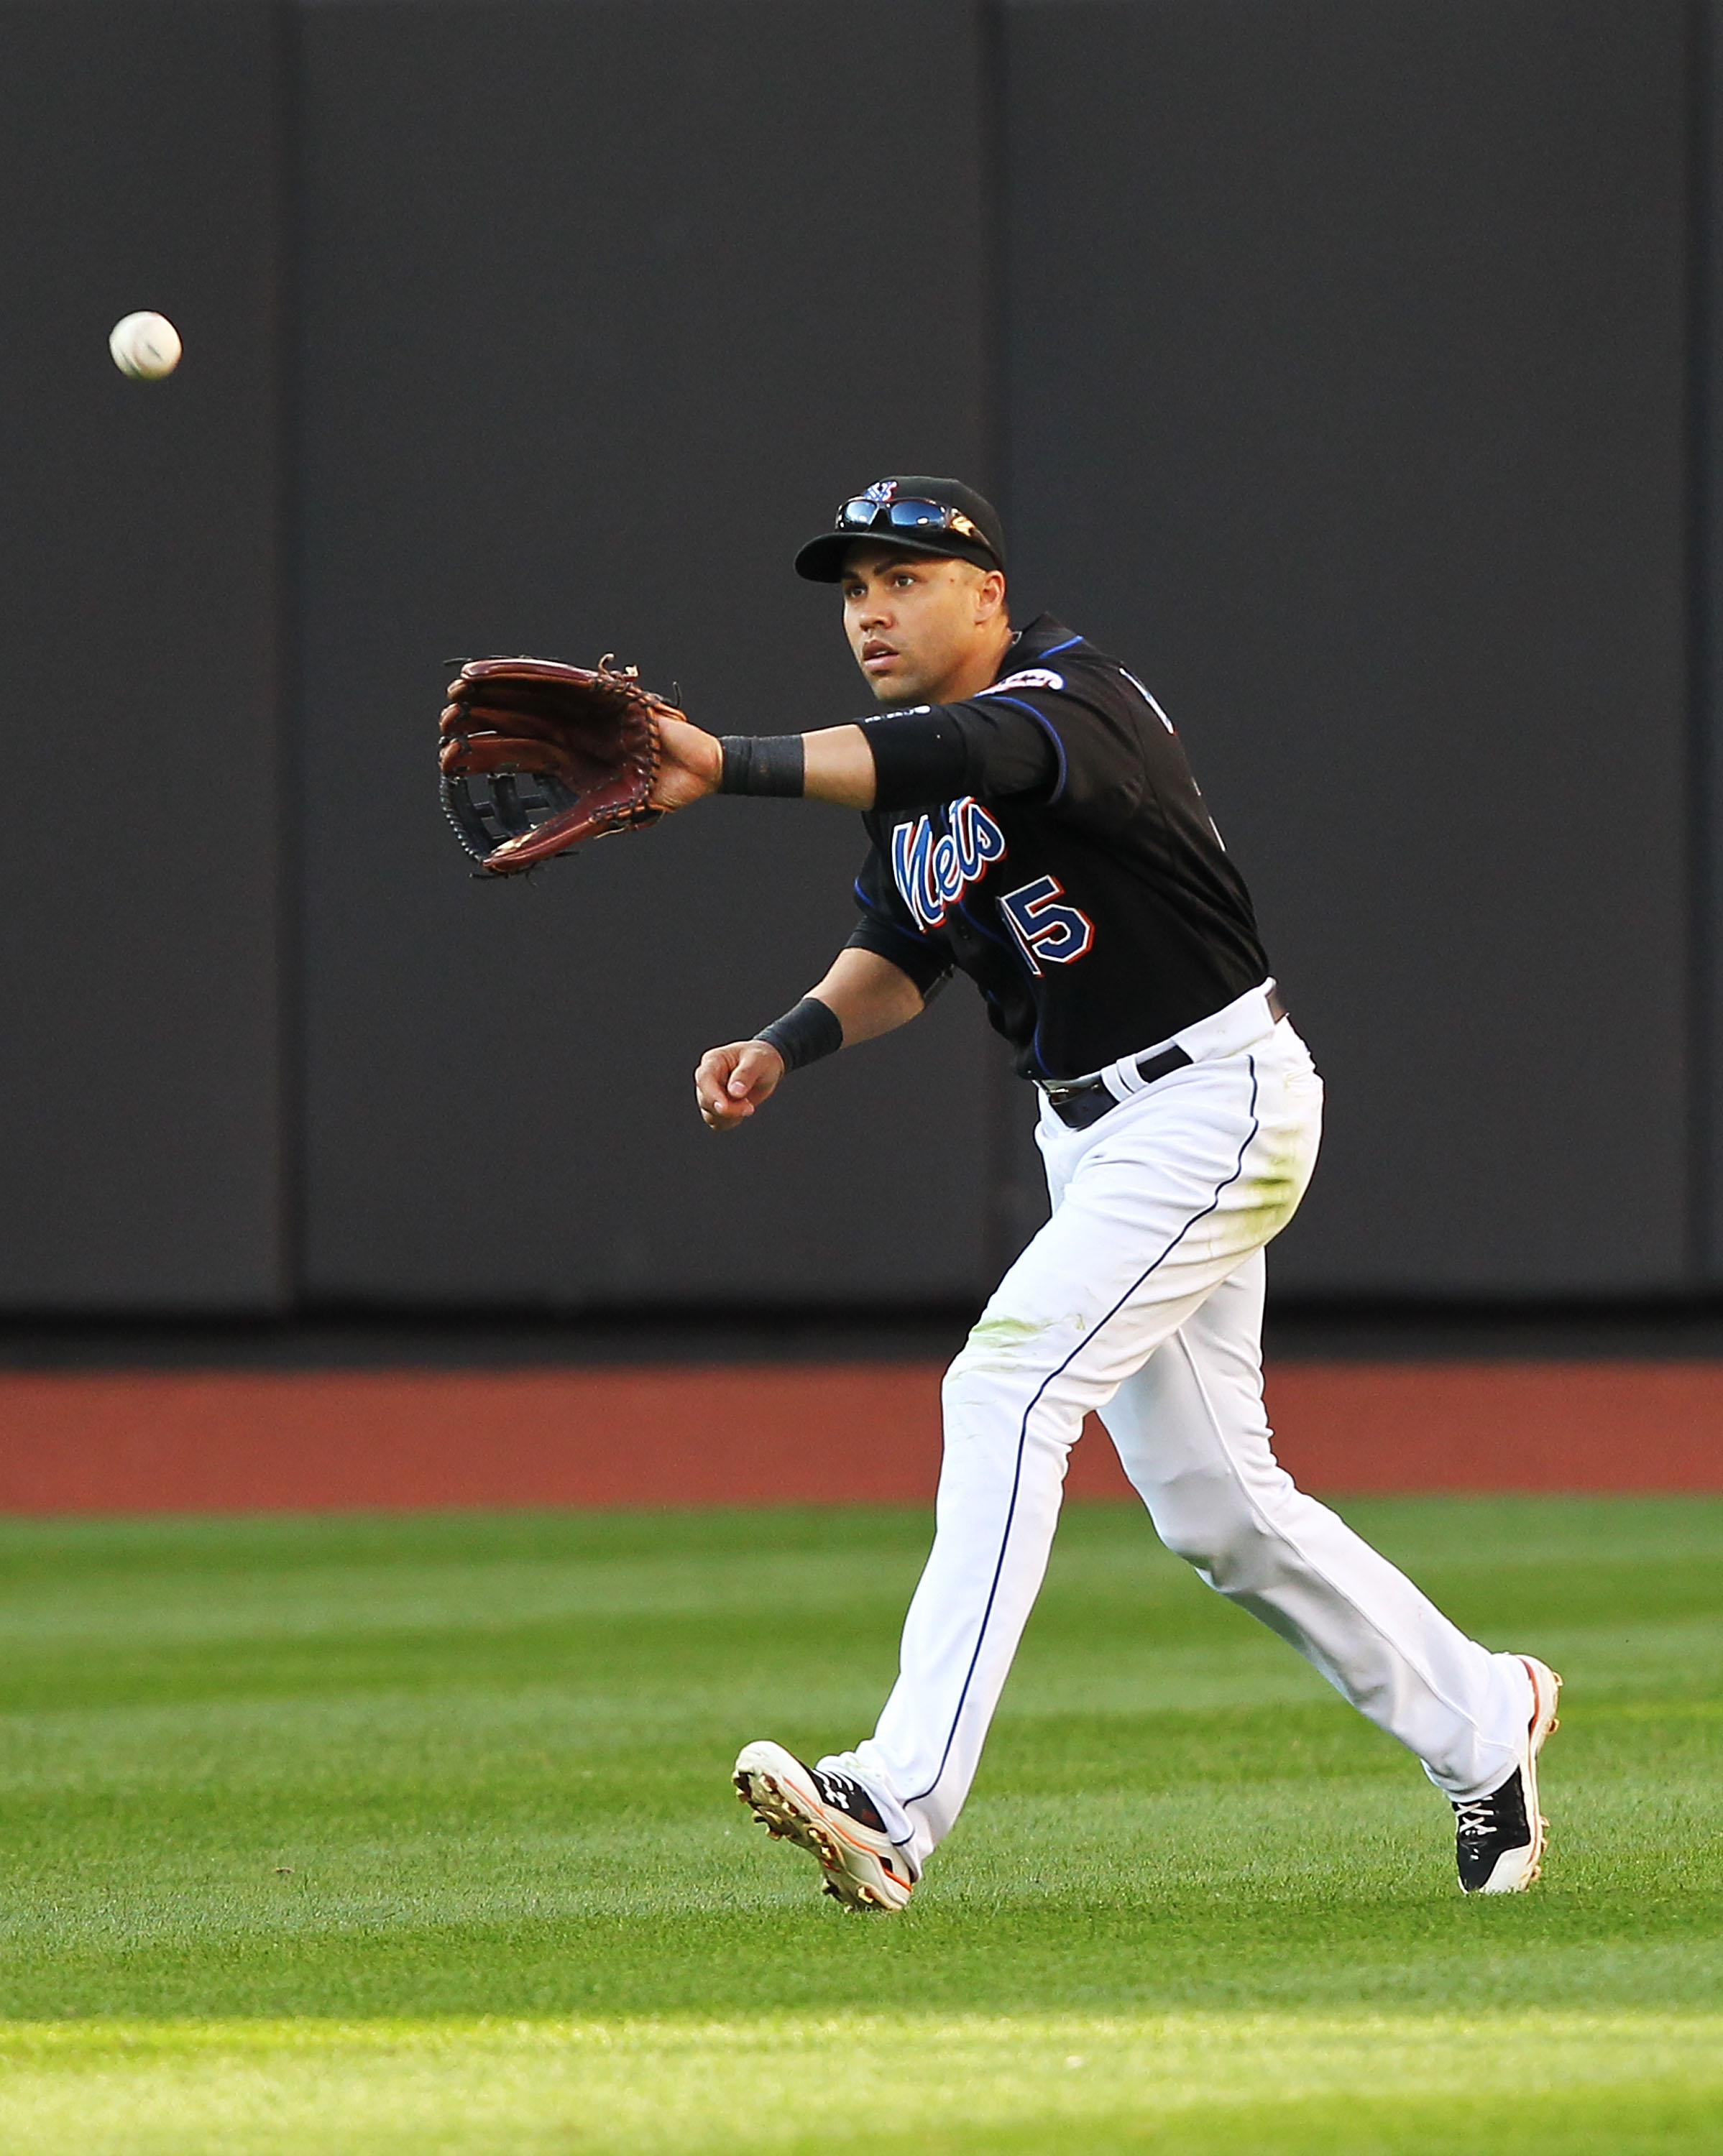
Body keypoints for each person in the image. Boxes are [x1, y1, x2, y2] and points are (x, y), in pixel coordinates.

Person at [645, 474, 1559, 1912]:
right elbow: (903, 946)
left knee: (1003, 1389)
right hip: (1100, 1135)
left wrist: (723, 762)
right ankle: (1479, 1716)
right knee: (1217, 1512)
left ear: (988, 597)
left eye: (906, 579)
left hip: (1212, 1100)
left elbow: (942, 751)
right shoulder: (910, 790)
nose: (873, 611)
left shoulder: (1072, 702)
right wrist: (787, 1040)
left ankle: (893, 1794)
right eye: (853, 590)